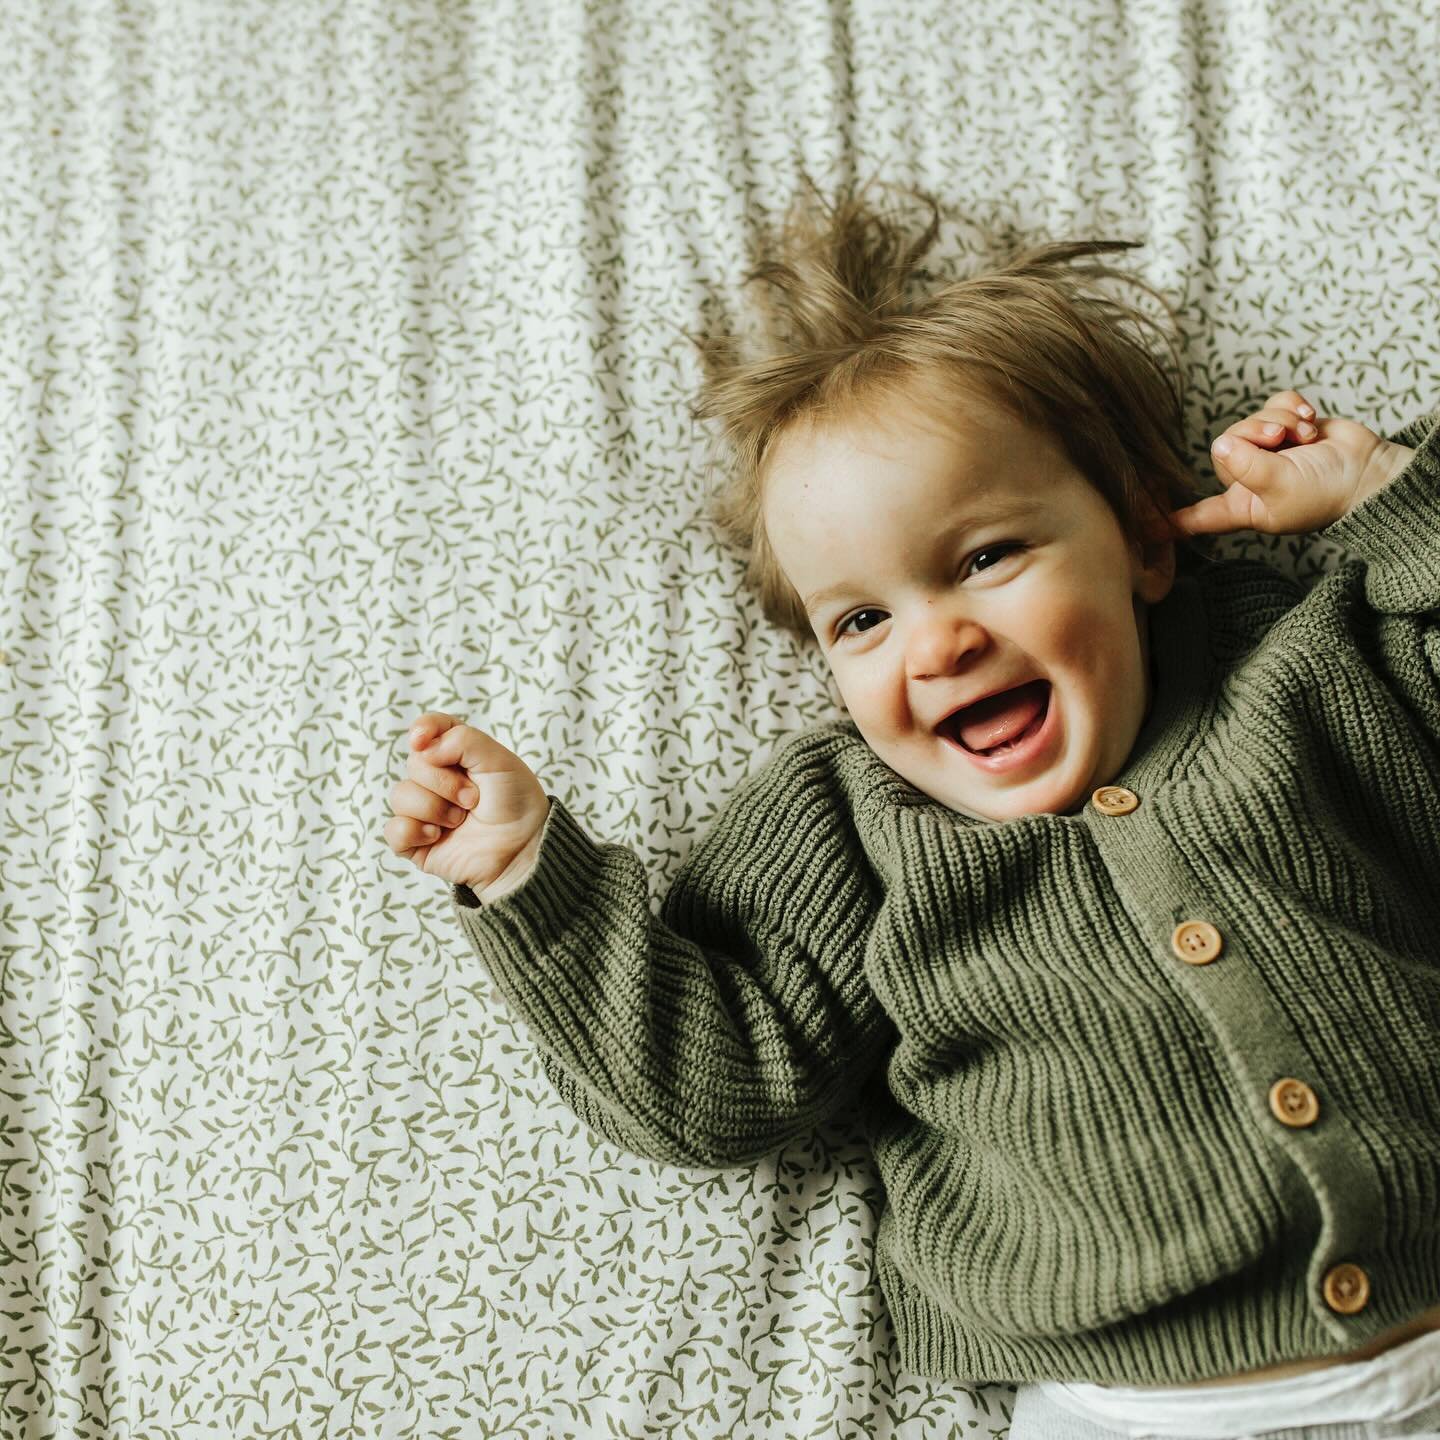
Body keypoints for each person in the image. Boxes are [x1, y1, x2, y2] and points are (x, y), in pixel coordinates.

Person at [382, 171, 1440, 1438]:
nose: (934, 647)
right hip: (1136, 1407)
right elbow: (714, 1093)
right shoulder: (849, 826)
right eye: (863, 619)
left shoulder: (1304, 674)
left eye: (987, 558)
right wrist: (528, 879)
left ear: (1148, 545)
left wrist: (1390, 501)